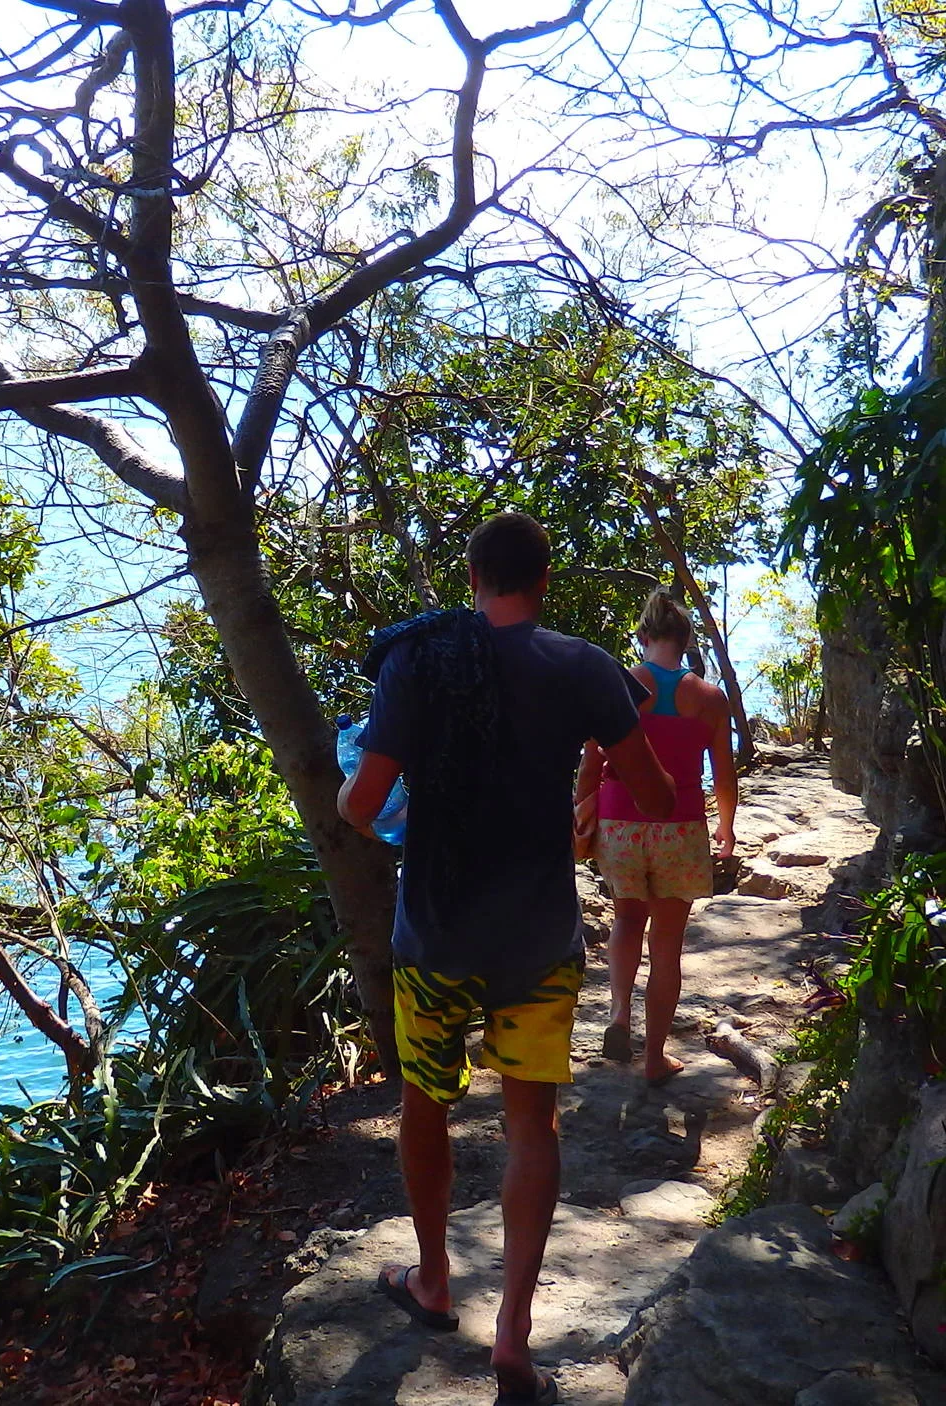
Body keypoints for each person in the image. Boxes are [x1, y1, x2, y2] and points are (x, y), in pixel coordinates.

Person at [338, 512, 673, 1405]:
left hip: (437, 933)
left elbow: (362, 807)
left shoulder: (419, 660)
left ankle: (436, 1281)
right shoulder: (587, 666)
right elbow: (653, 788)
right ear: (546, 581)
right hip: (537, 938)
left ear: (473, 575)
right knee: (534, 1125)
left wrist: (355, 784)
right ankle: (515, 1336)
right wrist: (587, 791)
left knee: (426, 1104)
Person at [575, 586, 738, 1085]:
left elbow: (592, 760)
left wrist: (582, 811)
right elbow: (724, 774)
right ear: (687, 641)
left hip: (621, 823)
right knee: (666, 948)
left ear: (643, 636)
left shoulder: (621, 686)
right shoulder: (711, 700)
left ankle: (619, 1014)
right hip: (681, 827)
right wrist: (726, 832)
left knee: (626, 919)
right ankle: (655, 1059)